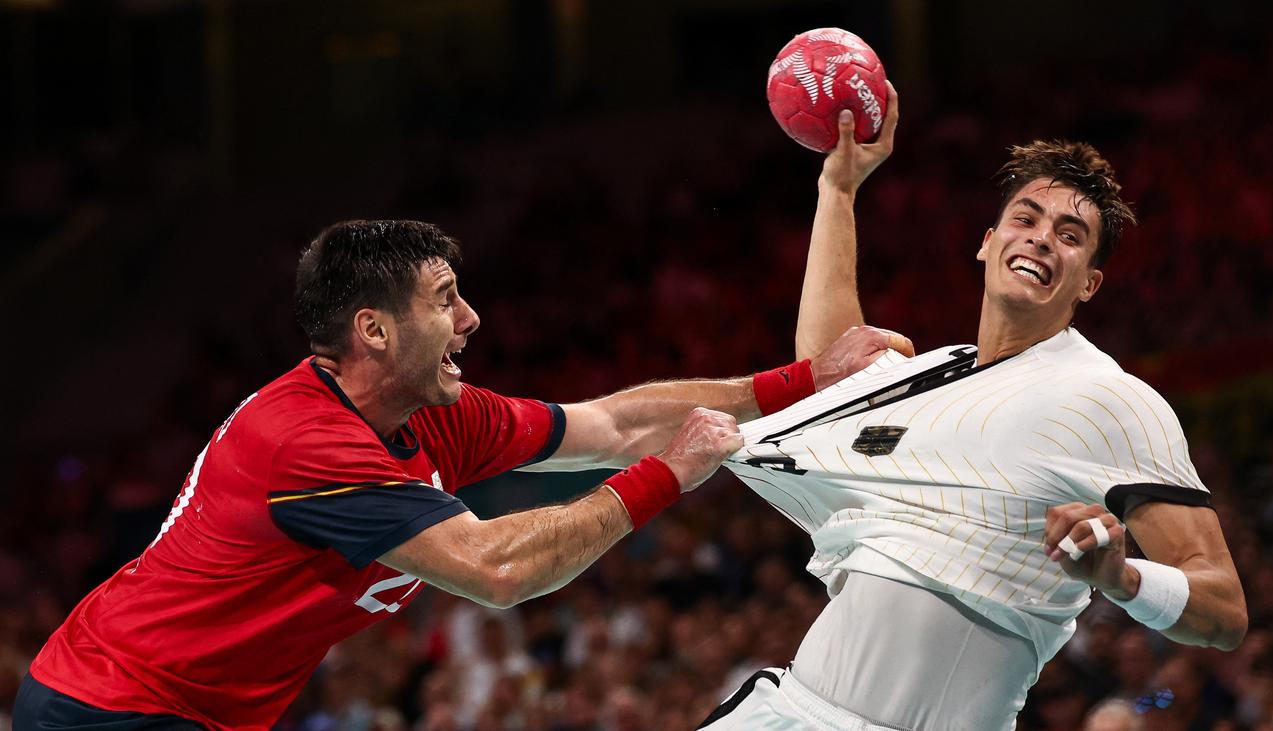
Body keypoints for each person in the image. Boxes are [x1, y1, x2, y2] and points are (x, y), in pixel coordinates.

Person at [15, 220, 905, 730]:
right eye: (446, 300)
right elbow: (498, 569)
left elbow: (609, 423)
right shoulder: (304, 440)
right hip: (111, 707)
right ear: (374, 330)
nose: (472, 318)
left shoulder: (432, 411)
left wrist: (804, 379)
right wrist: (670, 477)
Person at [702, 84, 1247, 730]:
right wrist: (839, 191)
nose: (1043, 238)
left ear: (1090, 283)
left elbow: (1224, 610)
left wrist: (1123, 577)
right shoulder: (936, 375)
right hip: (785, 712)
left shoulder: (1110, 398)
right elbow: (829, 374)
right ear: (988, 241)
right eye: (1027, 218)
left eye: (1070, 235)